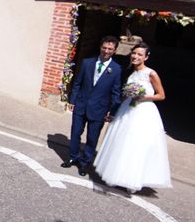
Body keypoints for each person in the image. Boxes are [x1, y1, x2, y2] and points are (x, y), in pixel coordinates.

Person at [94, 43, 171, 193]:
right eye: (134, 53)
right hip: (127, 109)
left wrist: (141, 97)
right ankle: (115, 176)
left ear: (146, 57)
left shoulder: (151, 74)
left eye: (140, 54)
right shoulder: (131, 72)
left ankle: (131, 180)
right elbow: (124, 95)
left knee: (136, 145)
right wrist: (115, 111)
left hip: (143, 111)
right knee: (121, 143)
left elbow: (161, 95)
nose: (135, 56)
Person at [64, 35, 123, 177]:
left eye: (110, 49)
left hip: (99, 109)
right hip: (81, 104)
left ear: (114, 51)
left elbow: (116, 92)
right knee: (76, 132)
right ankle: (73, 157)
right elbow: (77, 83)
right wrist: (72, 100)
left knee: (92, 138)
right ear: (100, 47)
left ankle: (84, 163)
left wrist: (113, 111)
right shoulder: (87, 63)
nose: (106, 51)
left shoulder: (116, 69)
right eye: (104, 47)